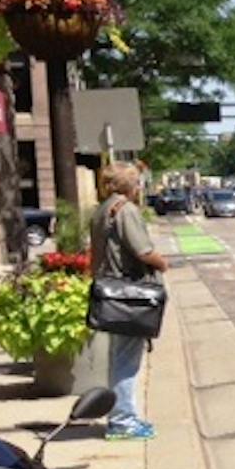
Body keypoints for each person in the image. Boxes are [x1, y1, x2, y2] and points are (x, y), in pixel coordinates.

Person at [89, 163, 168, 440]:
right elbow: (143, 251)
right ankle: (123, 421)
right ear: (129, 185)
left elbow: (95, 258)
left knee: (118, 356)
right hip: (129, 294)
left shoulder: (101, 210)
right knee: (126, 360)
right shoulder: (126, 210)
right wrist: (162, 262)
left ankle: (121, 416)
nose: (139, 188)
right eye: (137, 182)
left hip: (109, 292)